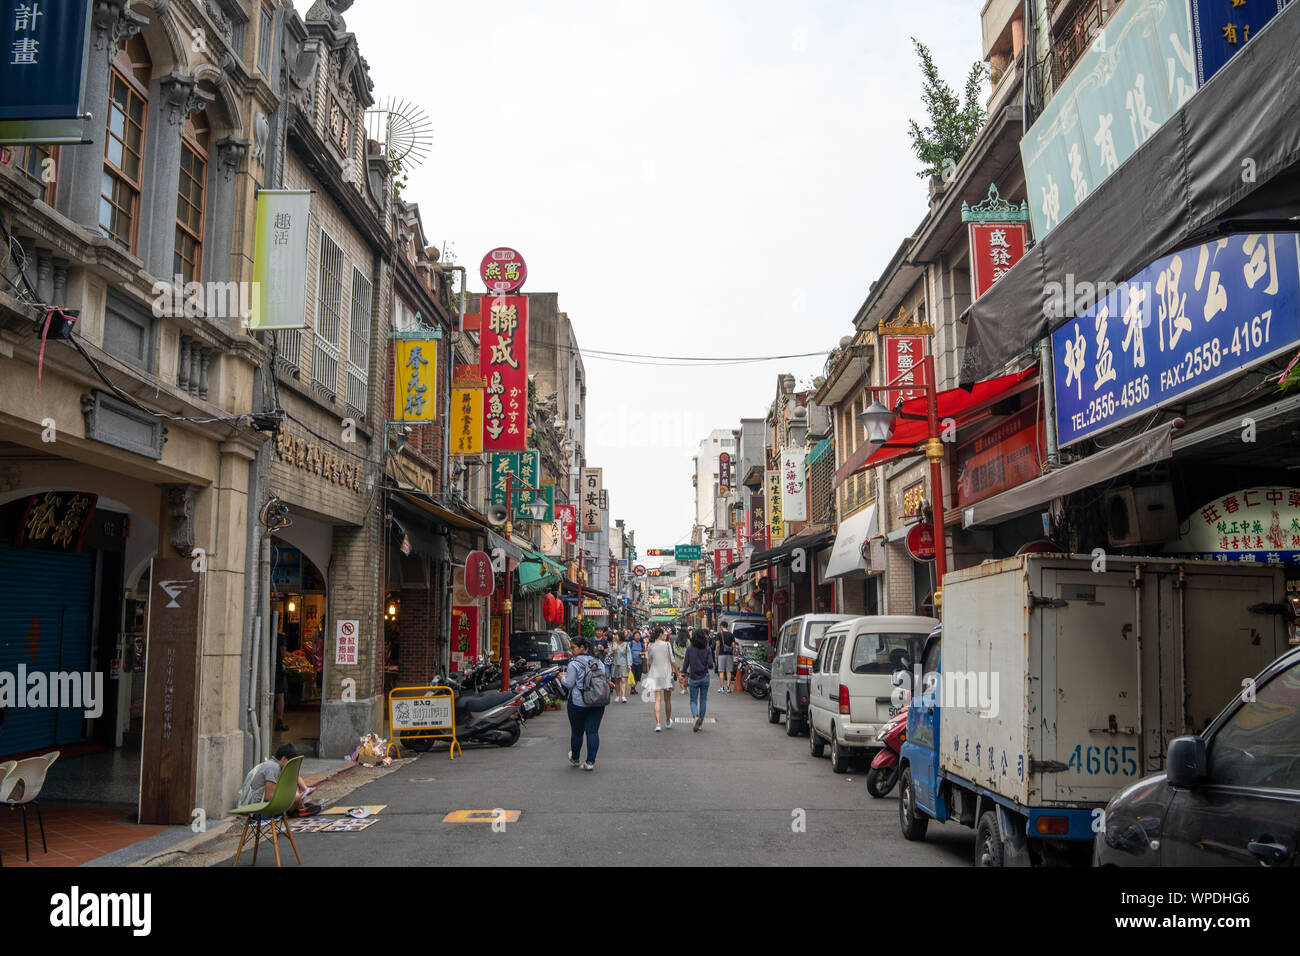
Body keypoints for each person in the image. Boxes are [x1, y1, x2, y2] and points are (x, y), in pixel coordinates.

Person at [561, 636, 606, 770]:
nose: (571, 650)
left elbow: (569, 684)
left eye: (573, 647)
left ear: (582, 648)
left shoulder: (573, 664)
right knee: (593, 732)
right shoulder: (599, 662)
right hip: (597, 701)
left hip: (578, 702)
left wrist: (561, 678)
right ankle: (590, 762)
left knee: (577, 732)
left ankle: (575, 758)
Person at [237, 743, 320, 814]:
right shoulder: (273, 768)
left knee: (294, 784)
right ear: (283, 759)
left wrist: (305, 789)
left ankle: (299, 807)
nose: (291, 766)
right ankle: (300, 808)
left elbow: (295, 776)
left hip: (265, 804)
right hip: (259, 808)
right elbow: (269, 797)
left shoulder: (277, 766)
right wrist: (292, 797)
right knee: (295, 796)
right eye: (290, 762)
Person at [640, 626, 679, 732]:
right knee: (667, 700)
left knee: (657, 700)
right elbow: (672, 660)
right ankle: (667, 721)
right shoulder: (667, 644)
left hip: (655, 674)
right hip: (666, 674)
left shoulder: (650, 645)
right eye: (664, 633)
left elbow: (649, 661)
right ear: (660, 634)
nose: (665, 635)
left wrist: (650, 671)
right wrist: (677, 673)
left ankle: (658, 724)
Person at [683, 629, 715, 732]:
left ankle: (695, 716)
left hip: (693, 677)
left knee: (693, 700)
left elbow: (685, 664)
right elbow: (710, 665)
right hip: (705, 677)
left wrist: (683, 673)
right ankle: (700, 723)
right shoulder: (707, 649)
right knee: (703, 700)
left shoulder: (690, 649)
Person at [610, 630, 630, 702]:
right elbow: (609, 654)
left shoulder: (626, 645)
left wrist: (629, 665)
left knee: (623, 680)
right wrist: (613, 652)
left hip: (624, 664)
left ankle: (623, 696)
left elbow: (628, 655)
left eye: (617, 635)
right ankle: (618, 695)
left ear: (620, 637)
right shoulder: (613, 644)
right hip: (615, 664)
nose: (615, 636)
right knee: (617, 681)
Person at [716, 622, 736, 693]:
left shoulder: (719, 634)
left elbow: (718, 645)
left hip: (721, 654)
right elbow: (733, 645)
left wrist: (716, 653)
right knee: (728, 671)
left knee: (721, 671)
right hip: (729, 654)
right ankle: (728, 688)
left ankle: (722, 688)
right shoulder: (731, 634)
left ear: (722, 626)